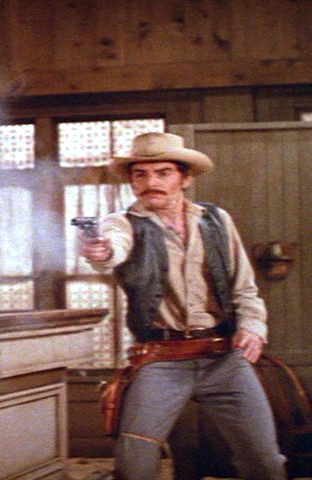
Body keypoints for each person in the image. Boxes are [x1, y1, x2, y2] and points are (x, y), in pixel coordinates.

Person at [79, 132, 287, 480]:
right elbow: (111, 248)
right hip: (160, 360)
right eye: (140, 175)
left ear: (185, 178)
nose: (151, 183)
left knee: (265, 462)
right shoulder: (123, 223)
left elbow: (245, 288)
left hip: (223, 358)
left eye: (163, 173)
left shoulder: (216, 220)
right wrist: (101, 252)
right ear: (132, 181)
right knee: (133, 463)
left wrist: (253, 327)